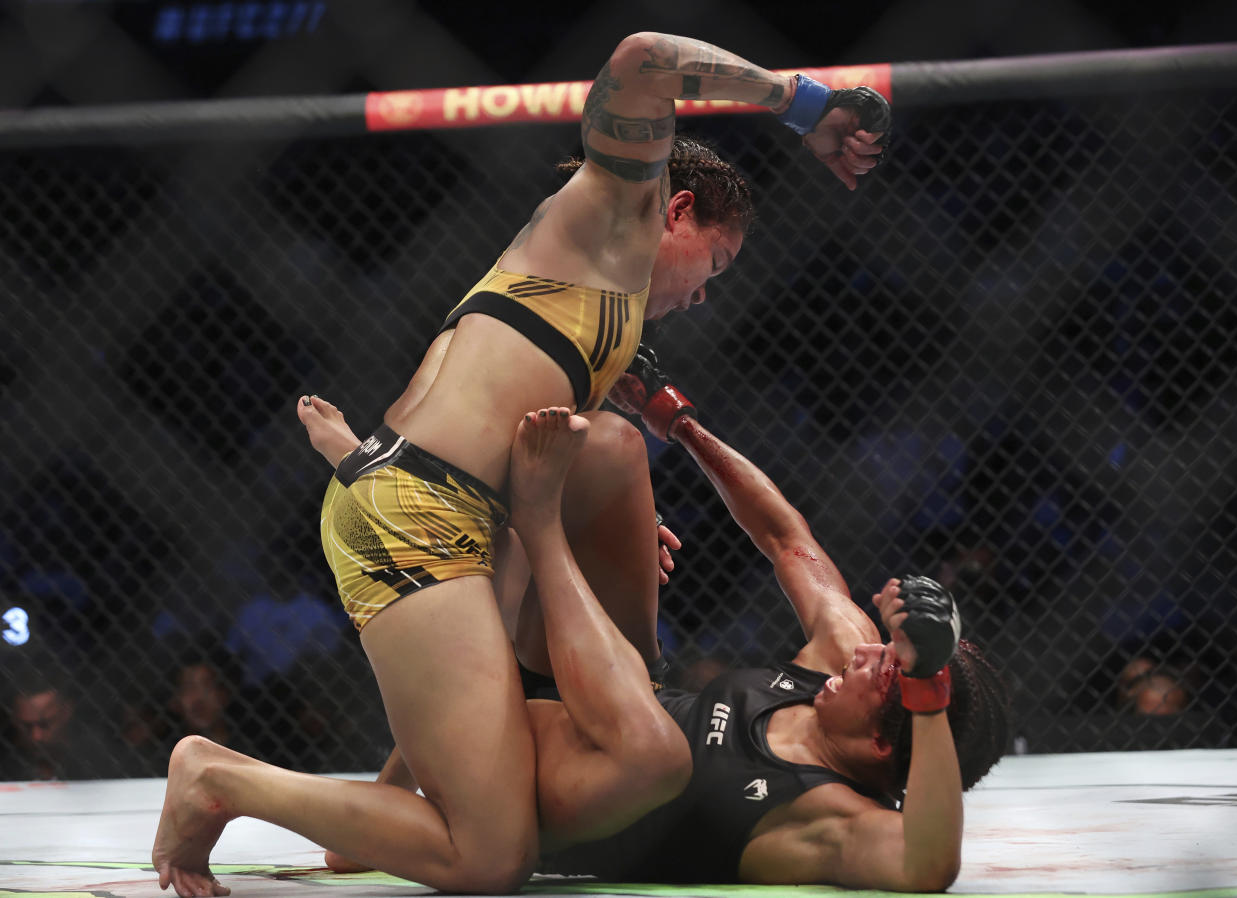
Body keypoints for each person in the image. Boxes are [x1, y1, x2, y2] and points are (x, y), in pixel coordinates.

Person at [152, 30, 890, 896]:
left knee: (610, 458)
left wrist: (598, 505)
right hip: (419, 516)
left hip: (460, 515)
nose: (701, 297)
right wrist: (803, 103)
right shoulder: (619, 210)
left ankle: (392, 802)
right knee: (490, 859)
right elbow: (643, 57)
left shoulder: (606, 316)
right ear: (679, 210)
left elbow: (543, 426)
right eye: (714, 266)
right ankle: (216, 775)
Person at [314, 346, 1011, 890]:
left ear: (888, 742)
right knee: (612, 449)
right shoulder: (840, 668)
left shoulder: (827, 820)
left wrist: (928, 691)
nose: (864, 652)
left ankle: (392, 490)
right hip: (606, 687)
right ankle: (423, 491)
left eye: (883, 672)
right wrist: (677, 424)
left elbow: (927, 867)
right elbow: (785, 537)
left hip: (542, 783)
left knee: (521, 536)